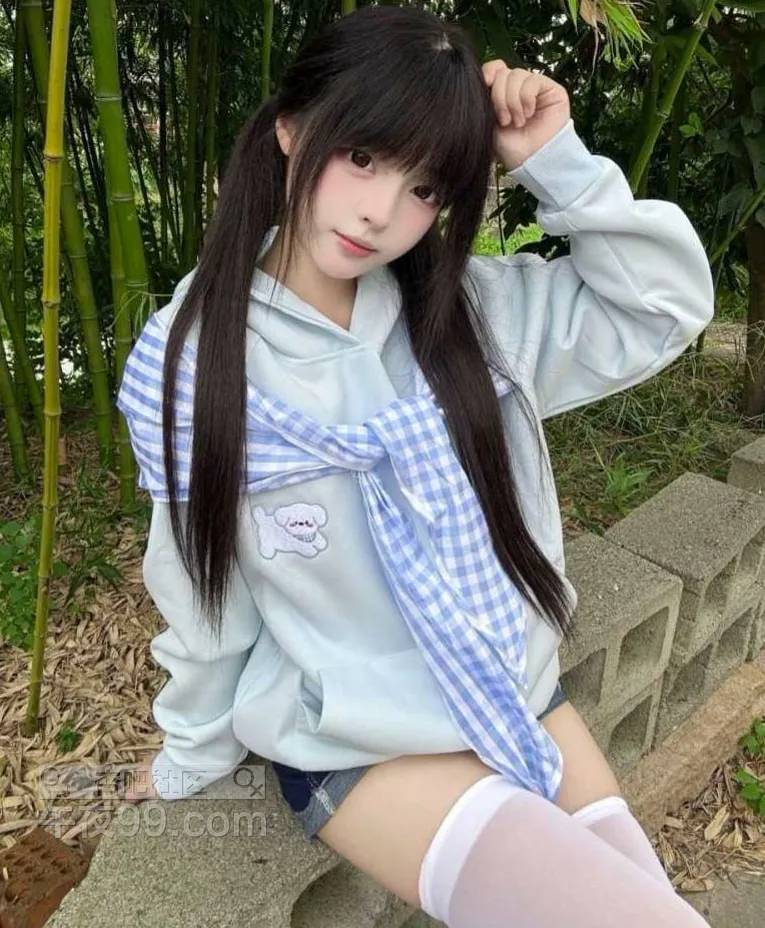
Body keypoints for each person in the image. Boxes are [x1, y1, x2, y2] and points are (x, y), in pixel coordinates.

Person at [116, 6, 714, 926]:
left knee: (650, 903)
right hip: (360, 740)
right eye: (361, 156)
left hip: (511, 691)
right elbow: (202, 591)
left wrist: (554, 159)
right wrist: (190, 753)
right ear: (291, 128)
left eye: (426, 187)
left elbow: (662, 310)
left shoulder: (467, 315)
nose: (381, 213)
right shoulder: (193, 366)